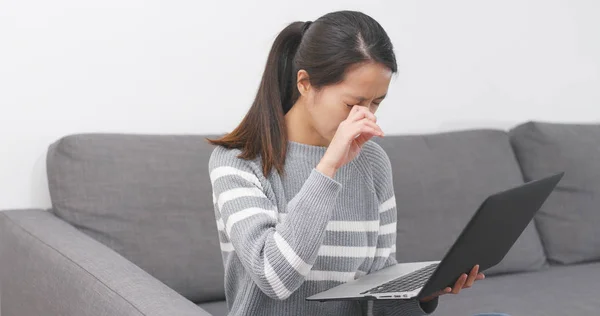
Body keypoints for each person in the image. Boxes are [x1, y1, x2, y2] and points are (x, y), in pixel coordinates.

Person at [208, 10, 498, 316]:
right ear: (305, 83)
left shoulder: (372, 162)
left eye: (376, 102)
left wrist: (423, 295)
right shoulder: (239, 161)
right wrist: (329, 166)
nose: (366, 117)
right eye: (352, 104)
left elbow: (381, 291)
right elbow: (275, 277)